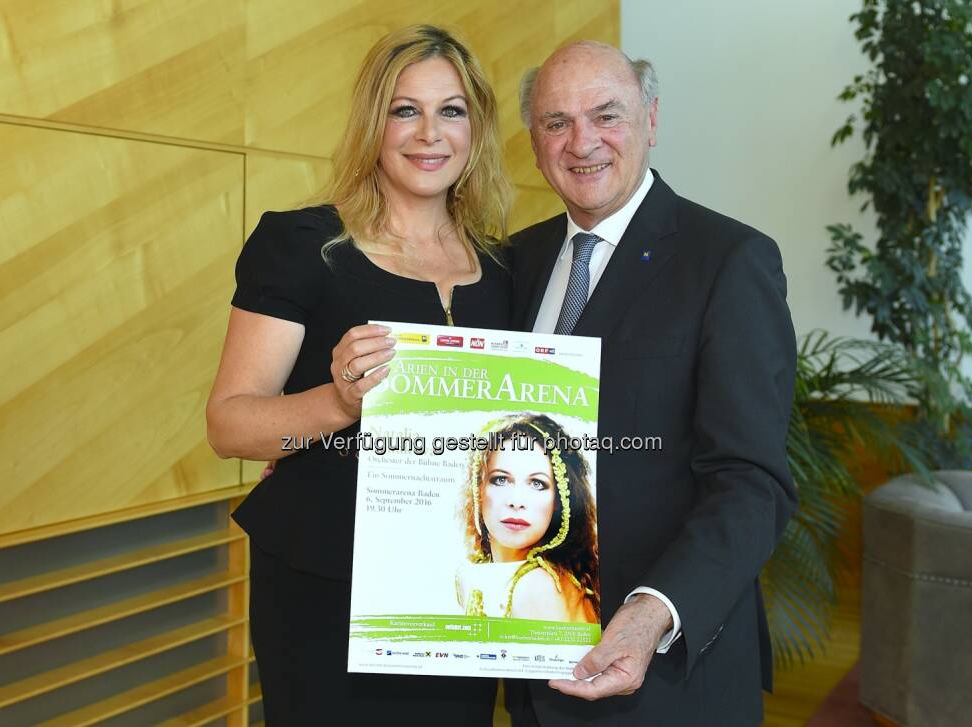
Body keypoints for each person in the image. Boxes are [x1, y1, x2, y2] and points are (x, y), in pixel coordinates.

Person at [205, 25, 512, 725]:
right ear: (374, 122)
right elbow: (228, 424)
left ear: (477, 128)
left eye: (451, 110)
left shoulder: (507, 270)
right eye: (405, 109)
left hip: (464, 593)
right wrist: (338, 402)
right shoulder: (304, 245)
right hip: (323, 586)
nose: (428, 133)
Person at [505, 41, 797, 726]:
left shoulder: (728, 261)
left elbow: (752, 481)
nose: (583, 142)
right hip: (533, 665)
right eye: (556, 122)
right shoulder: (513, 261)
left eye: (607, 114)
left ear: (651, 119)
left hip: (667, 676)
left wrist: (652, 610)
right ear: (534, 138)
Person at [455, 413, 599, 624]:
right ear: (477, 488)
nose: (516, 501)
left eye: (537, 483)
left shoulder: (538, 586)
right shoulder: (474, 573)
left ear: (559, 501)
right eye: (501, 479)